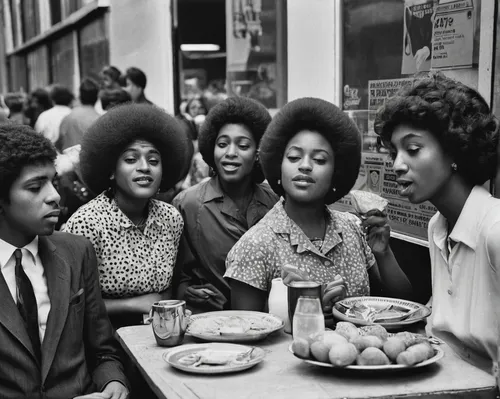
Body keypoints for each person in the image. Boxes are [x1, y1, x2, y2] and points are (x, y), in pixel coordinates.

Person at [225, 97, 412, 312]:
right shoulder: (255, 245)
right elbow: (247, 331)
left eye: (320, 160)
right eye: (294, 157)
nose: (305, 166)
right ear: (279, 167)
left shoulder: (353, 229)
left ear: (336, 172)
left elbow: (403, 304)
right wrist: (308, 310)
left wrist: (383, 252)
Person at [374, 72, 500, 373]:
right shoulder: (437, 227)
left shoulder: (494, 229)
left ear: (454, 148)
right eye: (394, 152)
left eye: (413, 149)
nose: (397, 165)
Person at [0, 123, 129, 398]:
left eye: (53, 182)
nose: (54, 196)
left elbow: (103, 350)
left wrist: (113, 385)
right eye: (35, 187)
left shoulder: (76, 251)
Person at [64, 104, 190, 328]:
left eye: (153, 161)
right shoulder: (87, 223)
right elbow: (72, 302)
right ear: (111, 171)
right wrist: (133, 305)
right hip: (103, 341)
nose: (144, 168)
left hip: (159, 333)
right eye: (131, 159)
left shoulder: (171, 218)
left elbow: (169, 289)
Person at [173, 96, 278, 312]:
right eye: (222, 144)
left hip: (267, 319)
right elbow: (176, 277)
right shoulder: (188, 204)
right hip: (211, 323)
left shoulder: (275, 202)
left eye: (243, 145)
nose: (230, 153)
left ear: (258, 153)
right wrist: (187, 291)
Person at [58, 78, 100, 151]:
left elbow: (59, 143)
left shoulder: (68, 117)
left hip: (70, 160)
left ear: (80, 96)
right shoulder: (101, 120)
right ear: (97, 98)